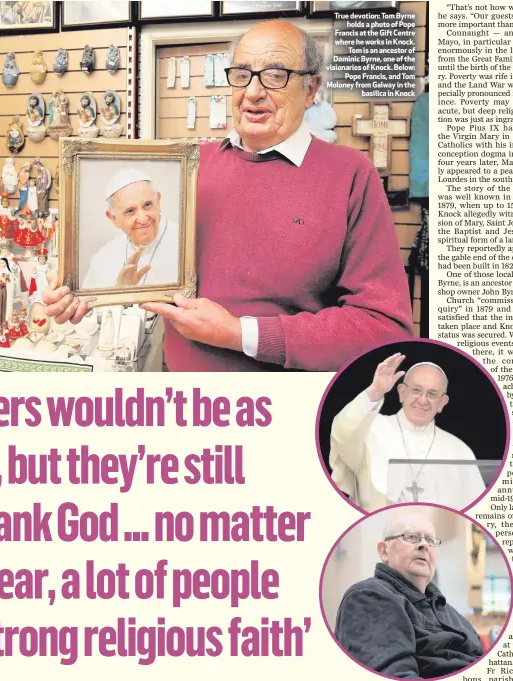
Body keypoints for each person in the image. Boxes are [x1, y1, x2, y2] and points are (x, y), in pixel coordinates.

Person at [44, 19, 413, 371]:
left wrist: (241, 335)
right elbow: (157, 272)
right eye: (241, 75)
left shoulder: (349, 174)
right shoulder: (190, 166)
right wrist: (89, 292)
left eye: (275, 75)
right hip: (189, 402)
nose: (253, 92)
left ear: (312, 90)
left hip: (289, 410)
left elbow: (383, 327)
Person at [330, 353, 486, 511]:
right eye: (416, 390)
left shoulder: (459, 451)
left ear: (442, 403)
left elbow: (476, 512)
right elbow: (342, 432)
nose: (423, 400)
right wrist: (375, 391)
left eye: (432, 394)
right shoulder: (371, 428)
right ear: (402, 392)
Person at [335, 514, 484, 678]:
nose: (424, 545)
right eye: (412, 537)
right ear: (384, 551)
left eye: (430, 540)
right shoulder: (368, 597)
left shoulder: (452, 614)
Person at [80, 168, 180, 289]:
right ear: (113, 218)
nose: (143, 219)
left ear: (158, 201)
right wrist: (120, 292)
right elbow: (89, 306)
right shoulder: (102, 259)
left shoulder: (187, 243)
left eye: (147, 205)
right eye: (130, 211)